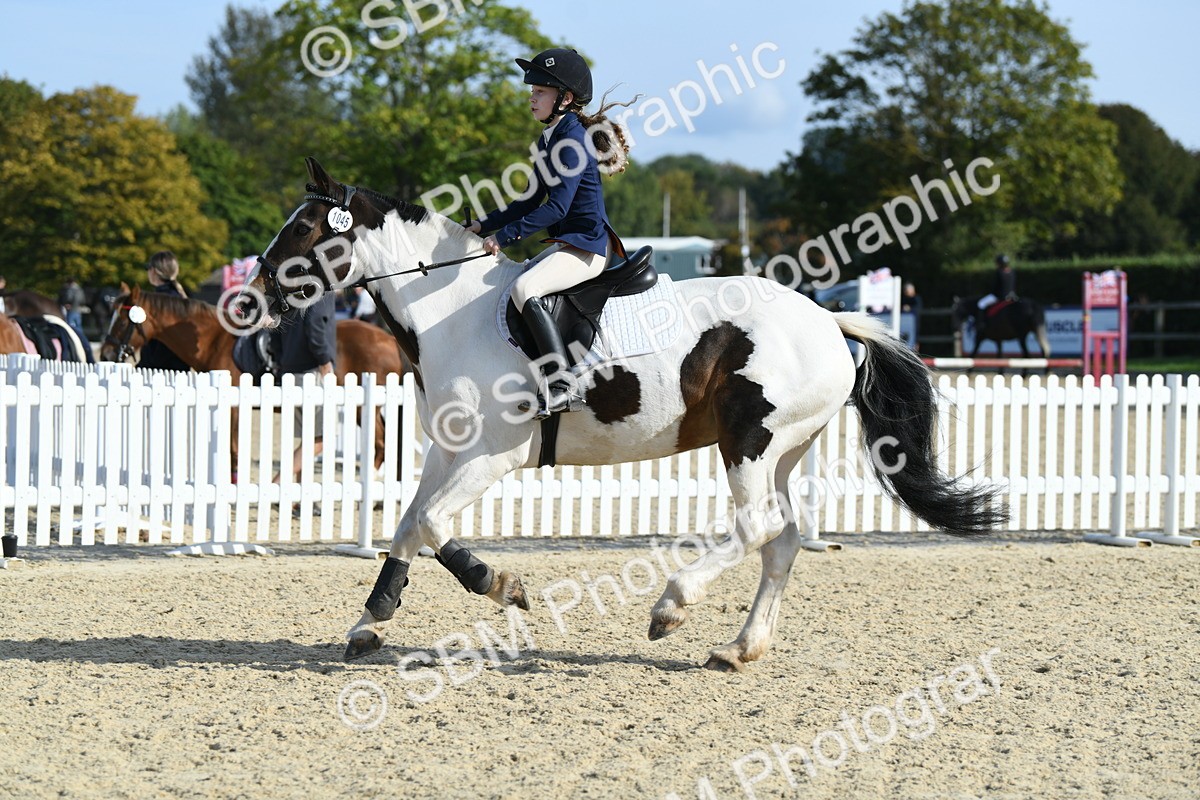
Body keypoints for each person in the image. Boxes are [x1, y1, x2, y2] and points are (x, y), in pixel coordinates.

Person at [466, 47, 634, 418]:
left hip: (587, 247)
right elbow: (528, 202)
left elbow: (556, 208)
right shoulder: (550, 139)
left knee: (525, 288)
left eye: (540, 91)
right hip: (568, 245)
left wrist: (503, 238)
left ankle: (560, 385)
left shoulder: (572, 141)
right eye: (532, 90)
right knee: (512, 283)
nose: (532, 97)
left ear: (565, 98)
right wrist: (482, 224)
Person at [275, 289, 337, 486]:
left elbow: (277, 328)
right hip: (312, 370)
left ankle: (301, 494)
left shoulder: (292, 289)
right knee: (321, 439)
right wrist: (324, 360)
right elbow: (315, 323)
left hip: (290, 368)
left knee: (308, 439)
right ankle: (276, 485)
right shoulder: (322, 289)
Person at [137, 251, 191, 372]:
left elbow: (161, 344)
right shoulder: (180, 297)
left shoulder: (158, 301)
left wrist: (144, 367)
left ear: (154, 271)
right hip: (180, 369)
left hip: (158, 371)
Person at [975, 254, 1017, 336]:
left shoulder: (999, 272)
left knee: (981, 303)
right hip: (1012, 296)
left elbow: (996, 287)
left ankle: (980, 324)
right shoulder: (1012, 272)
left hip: (1000, 297)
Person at [901, 281, 922, 350]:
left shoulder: (916, 298)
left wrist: (909, 308)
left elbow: (918, 308)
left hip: (915, 321)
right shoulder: (904, 298)